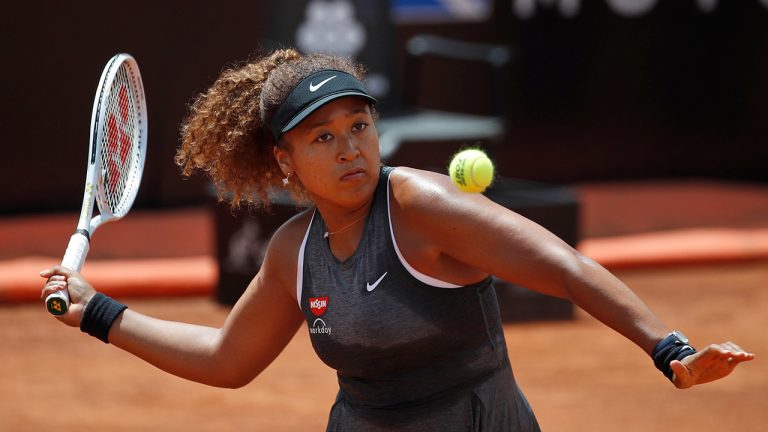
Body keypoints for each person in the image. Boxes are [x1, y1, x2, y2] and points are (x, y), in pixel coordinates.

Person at [40, 49, 755, 431]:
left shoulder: (422, 205)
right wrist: (99, 312)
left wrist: (670, 350)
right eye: (323, 137)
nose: (351, 147)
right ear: (285, 161)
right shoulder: (293, 250)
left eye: (359, 126)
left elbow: (563, 267)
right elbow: (228, 360)